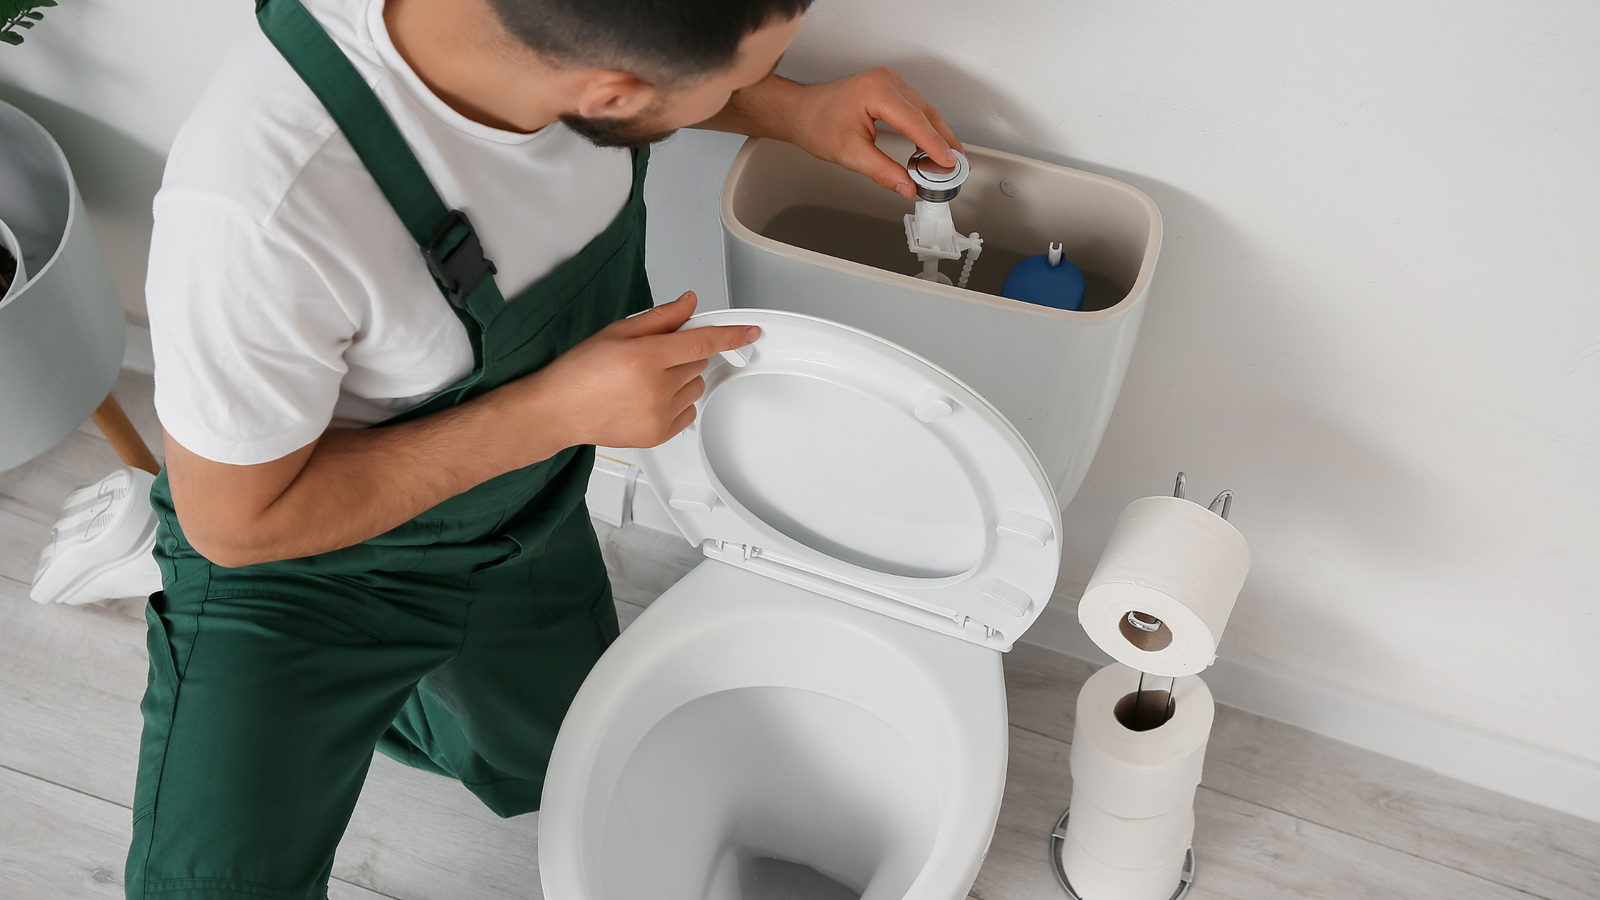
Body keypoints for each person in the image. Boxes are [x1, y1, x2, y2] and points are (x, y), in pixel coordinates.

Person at [129, 0, 965, 897]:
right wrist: (553, 413)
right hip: (295, 571)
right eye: (730, 82)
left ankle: (392, 703)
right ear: (609, 96)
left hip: (512, 513)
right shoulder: (259, 209)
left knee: (555, 761)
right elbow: (237, 523)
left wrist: (787, 108)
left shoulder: (544, 34)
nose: (739, 91)